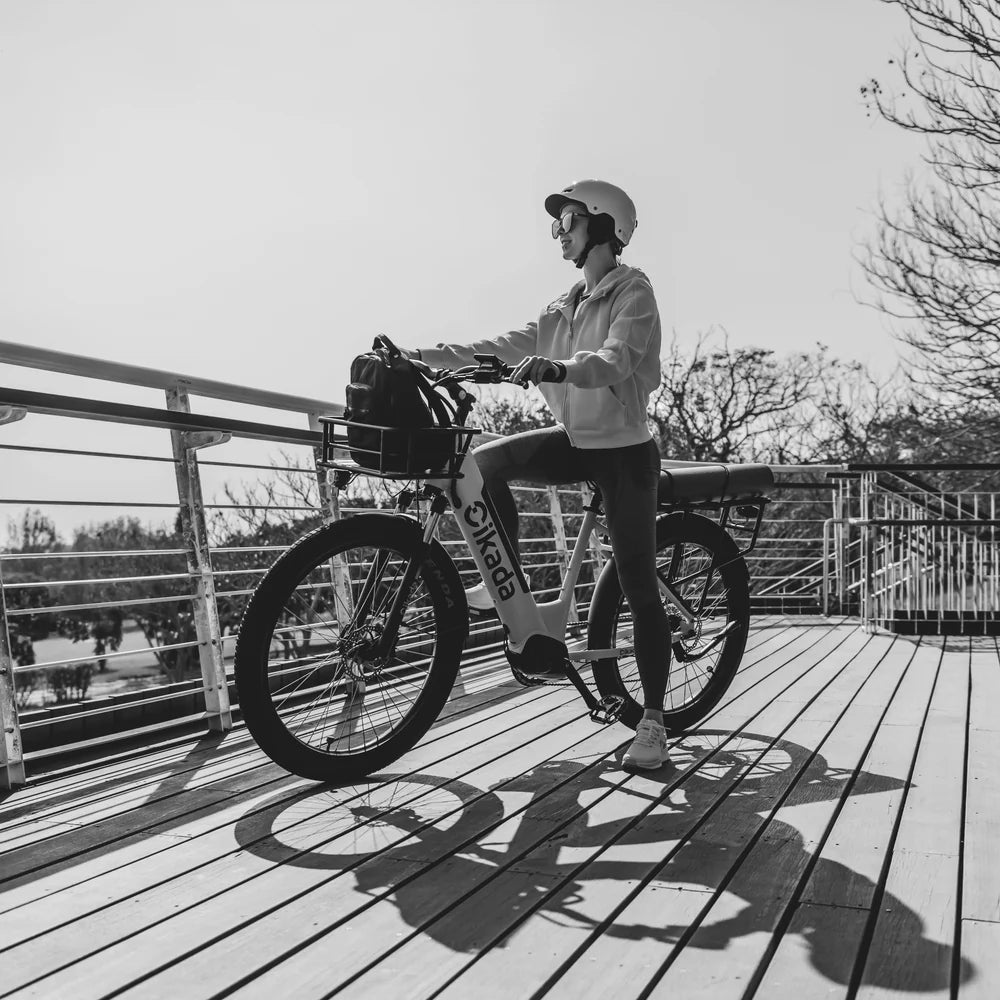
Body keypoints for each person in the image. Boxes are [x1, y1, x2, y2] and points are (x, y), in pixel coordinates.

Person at [402, 179, 670, 770]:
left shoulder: (634, 292)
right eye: (558, 224)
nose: (559, 233)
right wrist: (420, 357)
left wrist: (560, 367)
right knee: (486, 462)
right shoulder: (561, 308)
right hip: (576, 443)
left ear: (603, 226)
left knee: (639, 586)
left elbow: (616, 359)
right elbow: (493, 346)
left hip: (624, 451)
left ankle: (652, 722)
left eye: (568, 221)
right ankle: (513, 592)